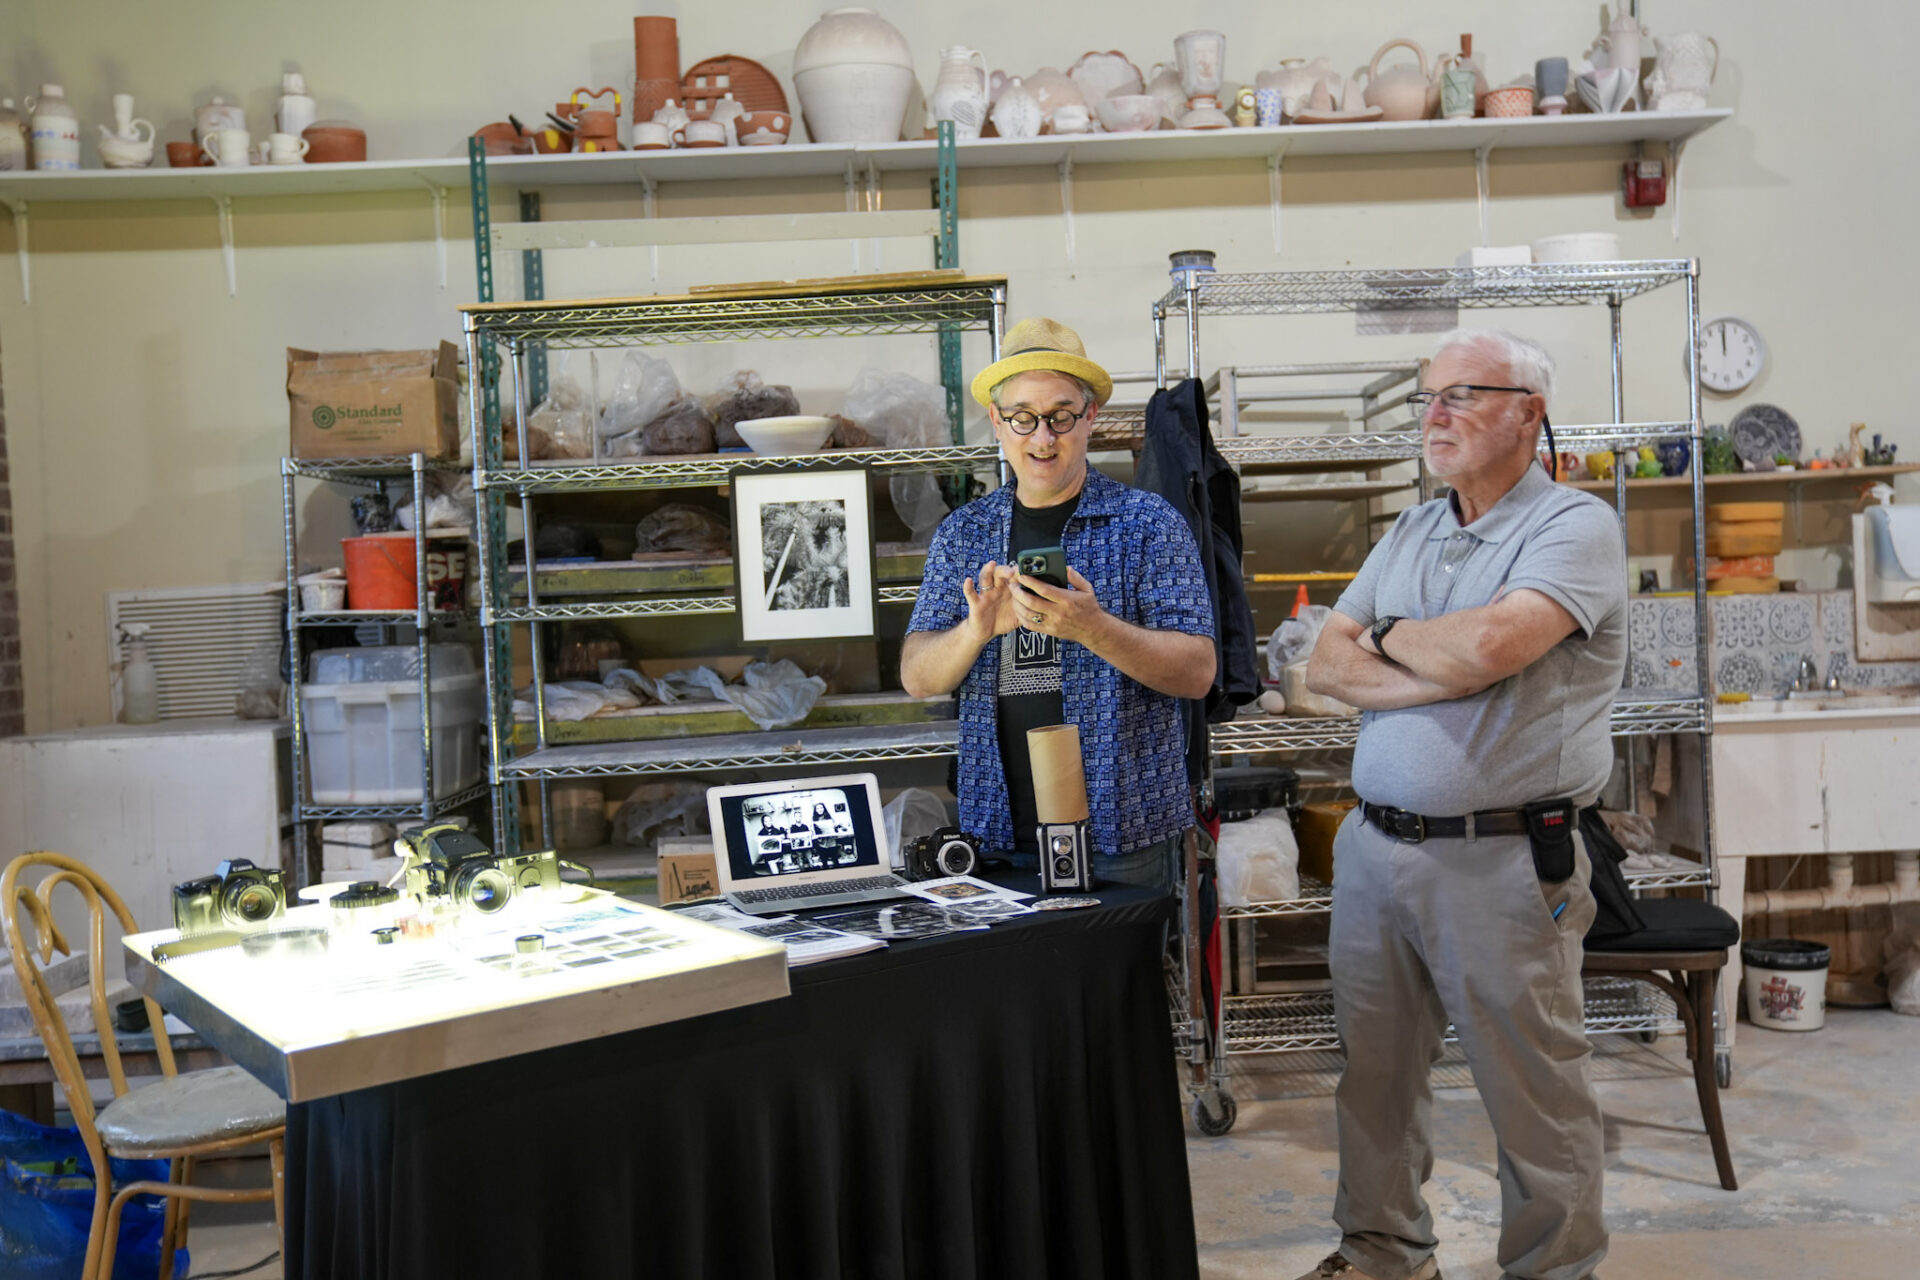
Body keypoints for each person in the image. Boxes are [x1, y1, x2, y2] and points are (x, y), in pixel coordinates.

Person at [1297, 329, 1626, 1280]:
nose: (1433, 415)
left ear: (1529, 413)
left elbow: (1491, 648)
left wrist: (1391, 638)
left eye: (1461, 395)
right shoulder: (1411, 530)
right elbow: (1324, 666)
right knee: (1375, 1079)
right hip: (1375, 850)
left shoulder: (1573, 526)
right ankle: (1383, 1254)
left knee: (1533, 1089)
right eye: (1427, 398)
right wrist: (1434, 659)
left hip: (1505, 859)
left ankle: (1553, 1269)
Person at [901, 317, 1216, 889]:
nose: (1043, 438)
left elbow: (1197, 673)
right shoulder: (964, 534)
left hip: (1124, 832)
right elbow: (918, 677)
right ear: (997, 421)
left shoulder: (1148, 524)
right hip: (998, 834)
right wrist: (975, 631)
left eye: (1061, 416)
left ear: (1090, 417)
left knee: (1132, 954)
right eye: (1023, 417)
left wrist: (1094, 628)